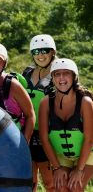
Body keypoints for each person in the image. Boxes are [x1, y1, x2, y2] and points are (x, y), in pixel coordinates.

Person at [39, 58, 93, 191]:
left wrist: (79, 170)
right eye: (57, 74)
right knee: (61, 187)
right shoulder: (45, 103)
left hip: (88, 153)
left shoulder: (85, 102)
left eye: (66, 73)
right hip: (62, 155)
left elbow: (89, 139)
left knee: (75, 187)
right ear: (52, 78)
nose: (61, 78)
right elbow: (44, 139)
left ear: (74, 77)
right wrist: (56, 167)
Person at [23, 34, 57, 191]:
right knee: (30, 183)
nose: (40, 55)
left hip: (48, 135)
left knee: (51, 183)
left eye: (44, 51)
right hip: (27, 132)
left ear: (52, 52)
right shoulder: (27, 73)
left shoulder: (59, 75)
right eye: (36, 52)